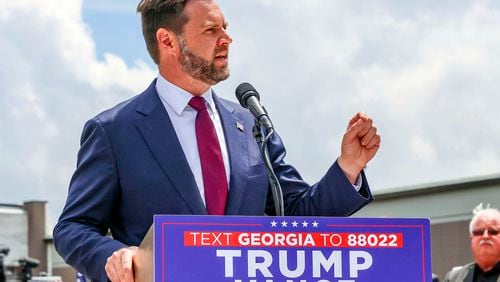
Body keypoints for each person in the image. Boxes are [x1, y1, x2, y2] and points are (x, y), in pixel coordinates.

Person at [53, 0, 381, 281]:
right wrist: (116, 255)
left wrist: (348, 168)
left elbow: (294, 214)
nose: (227, 38)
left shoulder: (250, 123)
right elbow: (73, 227)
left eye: (224, 27)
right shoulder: (114, 131)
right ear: (168, 41)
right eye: (211, 30)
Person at [443, 207, 500, 282]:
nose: (485, 236)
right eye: (478, 232)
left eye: (493, 232)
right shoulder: (453, 278)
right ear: (471, 238)